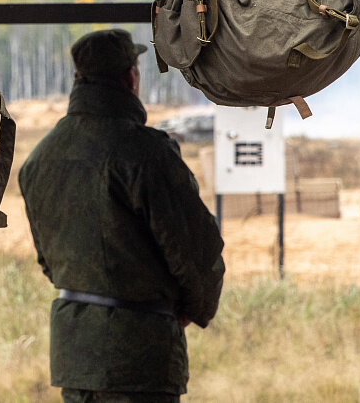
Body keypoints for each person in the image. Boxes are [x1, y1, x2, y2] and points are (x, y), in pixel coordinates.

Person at [18, 29, 225, 402]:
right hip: (139, 359)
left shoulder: (40, 158)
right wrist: (193, 308)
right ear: (131, 77)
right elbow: (197, 249)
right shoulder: (146, 153)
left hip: (75, 358)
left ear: (78, 80)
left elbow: (49, 262)